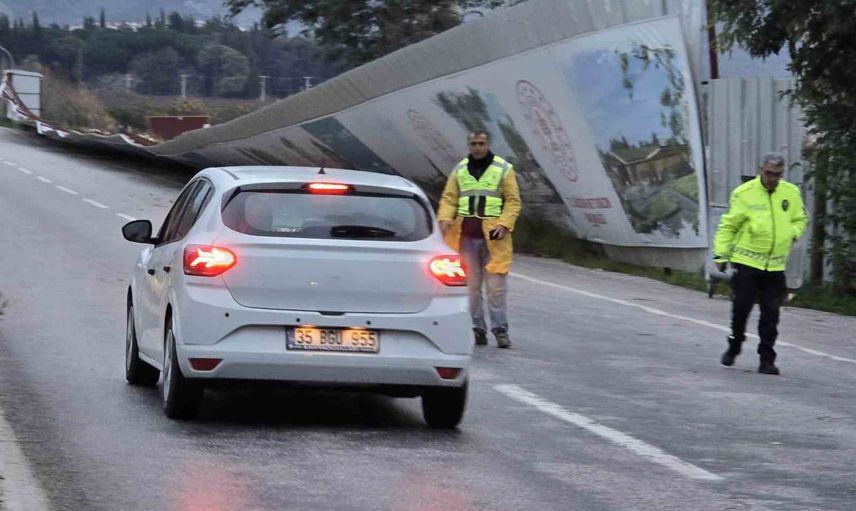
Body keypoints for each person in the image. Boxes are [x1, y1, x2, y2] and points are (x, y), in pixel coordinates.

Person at [714, 153, 807, 374]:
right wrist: (721, 255)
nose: (772, 178)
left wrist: (791, 233)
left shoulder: (790, 192)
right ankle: (734, 344)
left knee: (771, 315)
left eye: (777, 174)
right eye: (769, 173)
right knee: (741, 309)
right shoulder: (744, 193)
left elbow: (800, 218)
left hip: (775, 266)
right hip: (746, 263)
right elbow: (728, 226)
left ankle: (767, 359)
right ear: (761, 170)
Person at [438, 131, 522, 348]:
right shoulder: (459, 170)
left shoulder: (503, 169)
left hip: (494, 240)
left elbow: (513, 201)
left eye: (481, 143)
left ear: (488, 145)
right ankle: (477, 329)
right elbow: (449, 199)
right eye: (474, 143)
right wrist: (445, 219)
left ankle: (500, 330)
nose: (477, 147)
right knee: (471, 288)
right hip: (465, 238)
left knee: (495, 288)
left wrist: (504, 224)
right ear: (469, 145)